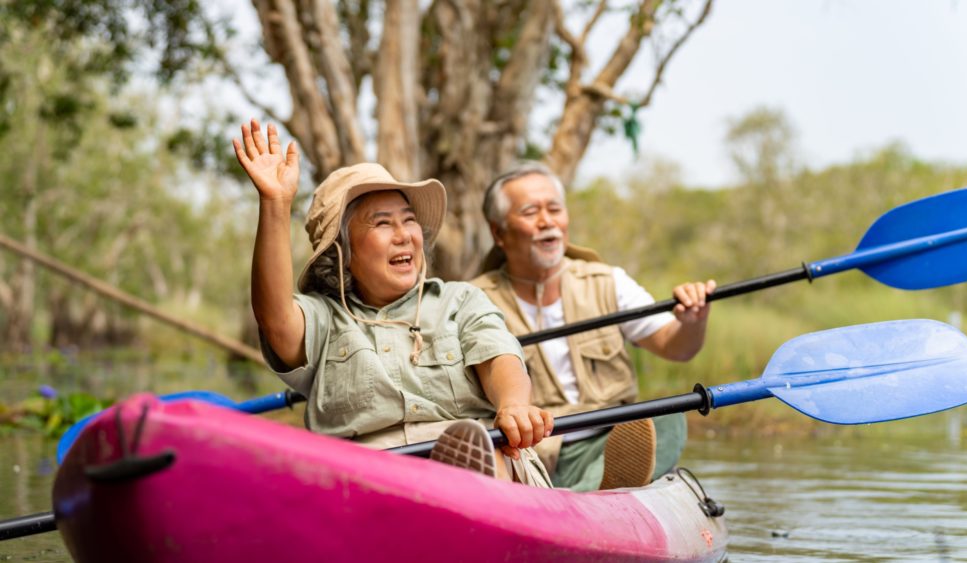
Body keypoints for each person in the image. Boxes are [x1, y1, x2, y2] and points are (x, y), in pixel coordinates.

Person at [232, 119, 553, 485]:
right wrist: (275, 203)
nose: (404, 236)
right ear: (342, 252)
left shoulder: (459, 300)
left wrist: (513, 405)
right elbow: (275, 320)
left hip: (473, 456)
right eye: (383, 224)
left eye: (410, 220)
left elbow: (500, 361)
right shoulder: (324, 319)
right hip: (367, 479)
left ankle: (478, 500)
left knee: (482, 451)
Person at [472, 161, 715, 491]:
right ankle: (580, 499)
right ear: (498, 232)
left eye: (555, 209)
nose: (548, 222)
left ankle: (583, 496)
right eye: (530, 212)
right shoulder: (472, 300)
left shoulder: (608, 281)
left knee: (670, 417)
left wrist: (693, 320)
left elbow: (678, 347)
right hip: (527, 451)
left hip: (609, 441)